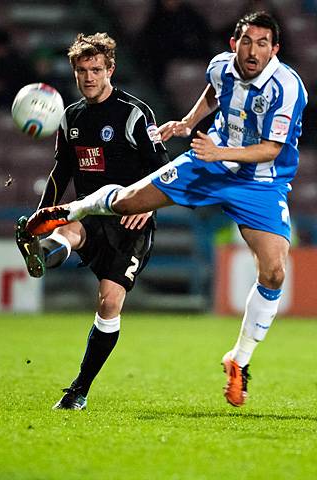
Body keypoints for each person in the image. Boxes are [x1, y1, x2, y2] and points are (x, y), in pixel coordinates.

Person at [26, 12, 308, 407]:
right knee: (128, 200)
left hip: (258, 182)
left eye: (263, 43)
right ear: (234, 43)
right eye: (247, 41)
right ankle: (72, 210)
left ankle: (239, 361)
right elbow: (213, 92)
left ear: (274, 49)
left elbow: (272, 149)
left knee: (275, 271)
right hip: (207, 165)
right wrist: (188, 122)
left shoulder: (288, 88)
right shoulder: (221, 67)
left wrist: (218, 151)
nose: (253, 50)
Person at [16, 32, 169, 410]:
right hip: (90, 212)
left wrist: (147, 206)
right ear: (75, 72)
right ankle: (44, 248)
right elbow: (61, 172)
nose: (89, 77)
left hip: (130, 222)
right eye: (82, 70)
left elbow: (164, 171)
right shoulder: (71, 117)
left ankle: (79, 389)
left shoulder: (135, 114)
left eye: (96, 70)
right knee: (69, 228)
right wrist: (42, 212)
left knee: (108, 303)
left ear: (110, 70)